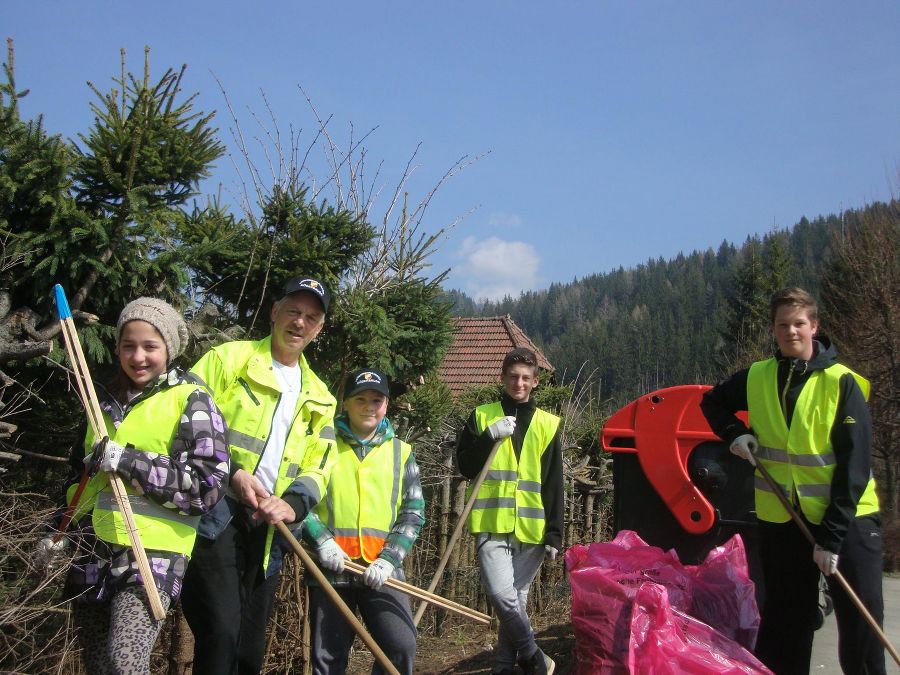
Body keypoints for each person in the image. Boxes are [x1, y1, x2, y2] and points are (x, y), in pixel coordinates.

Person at [36, 297, 230, 674]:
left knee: (124, 663)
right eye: (129, 345)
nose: (138, 356)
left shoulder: (193, 401)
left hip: (152, 556)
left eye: (150, 346)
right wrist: (56, 530)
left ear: (169, 350)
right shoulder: (101, 404)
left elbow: (207, 486)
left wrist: (129, 461)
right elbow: (79, 482)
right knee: (97, 666)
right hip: (92, 551)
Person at [701, 287, 885, 675]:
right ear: (773, 330)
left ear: (814, 326)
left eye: (799, 323)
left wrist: (831, 538)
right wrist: (735, 433)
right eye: (783, 325)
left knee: (861, 624)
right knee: (786, 622)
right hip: (783, 518)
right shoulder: (758, 375)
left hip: (847, 520)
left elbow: (854, 467)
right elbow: (712, 402)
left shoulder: (843, 383)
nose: (791, 332)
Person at [181, 276, 338, 675]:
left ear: (319, 329)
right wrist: (232, 472)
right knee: (220, 636)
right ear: (274, 312)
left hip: (271, 532)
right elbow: (182, 418)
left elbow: (321, 465)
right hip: (217, 514)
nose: (300, 323)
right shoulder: (227, 360)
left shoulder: (321, 396)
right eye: (293, 311)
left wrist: (293, 503)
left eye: (311, 317)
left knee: (248, 651)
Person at [303, 367, 424, 674]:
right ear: (346, 402)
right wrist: (321, 540)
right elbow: (299, 501)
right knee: (328, 659)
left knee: (401, 646)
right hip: (332, 570)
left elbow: (413, 512)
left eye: (377, 400)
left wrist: (388, 559)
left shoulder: (401, 452)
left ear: (386, 404)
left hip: (383, 571)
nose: (369, 406)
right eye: (361, 399)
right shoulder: (322, 445)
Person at [456, 348, 563, 675]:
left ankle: (503, 668)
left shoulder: (548, 424)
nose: (519, 383)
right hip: (491, 525)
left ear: (535, 382)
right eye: (513, 376)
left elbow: (553, 481)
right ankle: (534, 657)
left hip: (532, 531)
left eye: (525, 378)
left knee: (515, 603)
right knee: (502, 596)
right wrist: (489, 436)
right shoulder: (482, 416)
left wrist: (555, 533)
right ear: (502, 378)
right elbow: (465, 467)